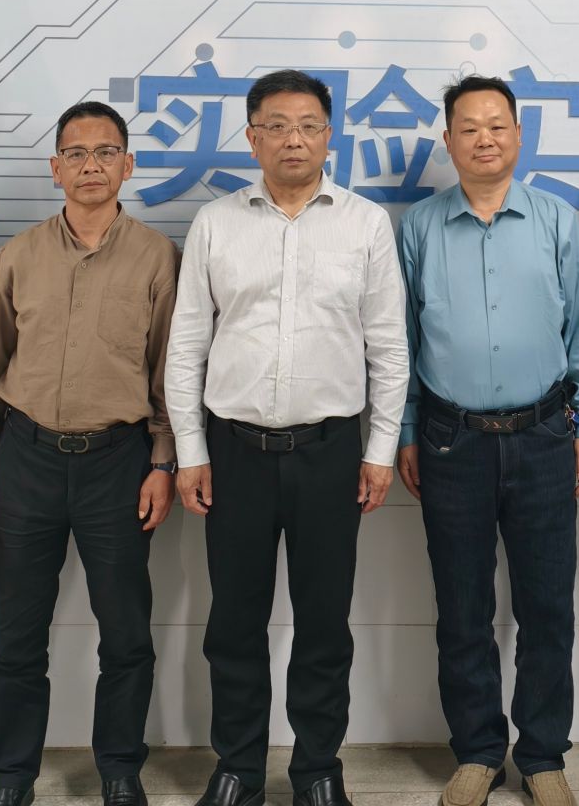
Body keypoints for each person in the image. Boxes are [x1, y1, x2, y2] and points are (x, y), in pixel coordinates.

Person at [165, 69, 408, 806]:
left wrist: (379, 450)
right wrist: (190, 451)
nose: (292, 139)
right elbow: (187, 345)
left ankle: (318, 769)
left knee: (324, 623)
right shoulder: (216, 223)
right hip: (233, 451)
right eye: (276, 125)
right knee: (234, 622)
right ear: (252, 138)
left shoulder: (365, 224)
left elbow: (388, 347)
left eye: (308, 125)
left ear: (330, 136)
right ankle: (237, 767)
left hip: (331, 452)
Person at [396, 76, 579, 806]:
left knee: (547, 606)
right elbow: (403, 338)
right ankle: (479, 751)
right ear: (448, 141)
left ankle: (543, 754)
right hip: (449, 439)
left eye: (497, 125)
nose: (484, 138)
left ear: (519, 136)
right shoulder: (420, 227)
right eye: (469, 127)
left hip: (545, 433)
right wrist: (406, 430)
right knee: (462, 607)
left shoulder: (554, 220)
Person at [0, 101, 181, 806]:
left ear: (128, 164)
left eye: (106, 151)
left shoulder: (157, 257)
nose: (92, 165)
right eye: (77, 153)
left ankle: (119, 770)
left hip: (119, 463)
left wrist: (162, 463)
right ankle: (10, 778)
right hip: (24, 461)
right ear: (56, 168)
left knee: (126, 633)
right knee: (16, 637)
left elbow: (169, 372)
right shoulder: (17, 258)